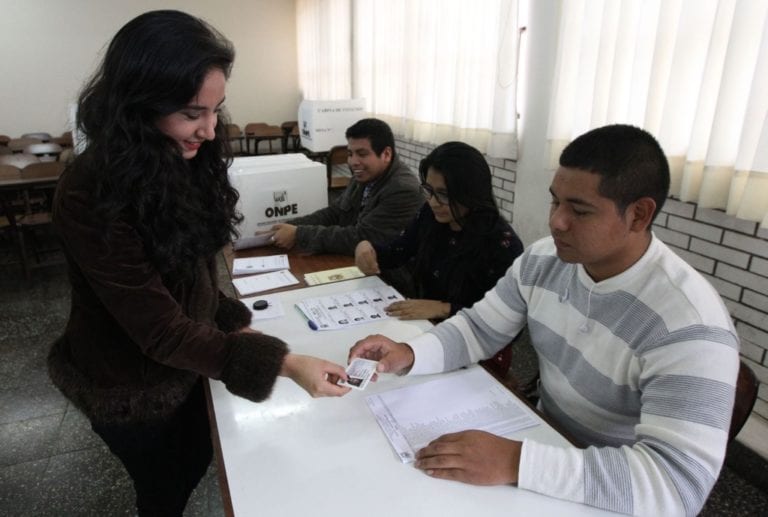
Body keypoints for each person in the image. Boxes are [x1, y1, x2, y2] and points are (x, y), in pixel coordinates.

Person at [48, 11, 350, 517]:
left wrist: (228, 319)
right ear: (139, 106)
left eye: (215, 110)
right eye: (192, 113)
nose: (209, 130)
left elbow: (190, 272)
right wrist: (286, 363)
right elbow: (160, 331)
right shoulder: (88, 191)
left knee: (192, 461)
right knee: (164, 487)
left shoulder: (175, 160)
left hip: (182, 366)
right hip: (129, 384)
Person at [349, 125, 740, 516]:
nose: (556, 222)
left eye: (579, 210)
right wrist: (410, 354)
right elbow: (479, 328)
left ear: (639, 214)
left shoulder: (689, 325)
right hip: (545, 436)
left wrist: (516, 461)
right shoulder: (543, 261)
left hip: (613, 486)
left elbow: (676, 484)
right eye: (556, 202)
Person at [354, 141, 523, 321]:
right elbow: (397, 252)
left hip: (474, 339)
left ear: (471, 193)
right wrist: (367, 248)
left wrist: (444, 308)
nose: (433, 202)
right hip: (427, 323)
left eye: (444, 194)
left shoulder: (502, 244)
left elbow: (505, 317)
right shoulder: (430, 215)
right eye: (429, 190)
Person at [269, 118, 423, 254]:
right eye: (350, 154)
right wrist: (290, 226)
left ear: (386, 154)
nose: (353, 162)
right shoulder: (364, 174)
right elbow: (335, 212)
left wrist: (299, 234)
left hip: (390, 276)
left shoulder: (403, 190)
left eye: (362, 154)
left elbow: (363, 238)